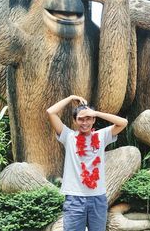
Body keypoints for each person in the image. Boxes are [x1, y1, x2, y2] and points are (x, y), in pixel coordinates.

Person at [46, 95, 128, 231]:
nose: (85, 122)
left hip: (98, 198)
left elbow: (123, 123)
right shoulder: (69, 136)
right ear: (75, 121)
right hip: (74, 199)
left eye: (88, 118)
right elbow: (51, 112)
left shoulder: (102, 136)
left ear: (94, 119)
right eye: (81, 119)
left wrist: (95, 112)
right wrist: (71, 97)